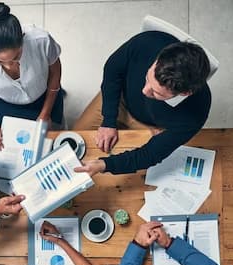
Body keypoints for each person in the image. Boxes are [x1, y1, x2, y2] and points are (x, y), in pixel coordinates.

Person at [73, 31, 211, 177]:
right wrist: (108, 120)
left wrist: (104, 165)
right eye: (147, 79)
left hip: (152, 125)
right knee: (74, 137)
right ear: (158, 59)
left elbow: (149, 155)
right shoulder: (148, 41)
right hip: (119, 99)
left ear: (185, 93)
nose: (144, 91)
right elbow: (112, 71)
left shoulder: (196, 113)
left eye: (157, 93)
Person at [0, 2, 63, 150]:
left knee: (54, 138)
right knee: (11, 147)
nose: (9, 65)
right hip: (6, 102)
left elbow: (55, 72)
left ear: (23, 39)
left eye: (16, 57)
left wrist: (46, 113)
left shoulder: (41, 40)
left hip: (44, 95)